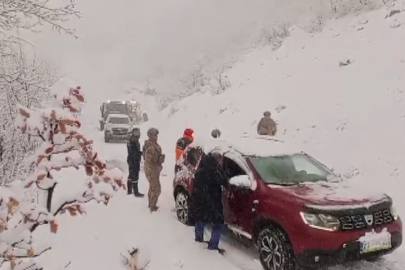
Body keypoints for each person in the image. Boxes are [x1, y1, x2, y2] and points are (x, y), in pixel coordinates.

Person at [190, 152, 228, 254]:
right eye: (220, 159)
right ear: (216, 159)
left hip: (200, 201)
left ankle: (198, 240)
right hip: (212, 201)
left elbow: (196, 185)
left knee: (200, 220)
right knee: (218, 223)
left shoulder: (201, 168)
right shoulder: (215, 170)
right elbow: (224, 181)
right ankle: (213, 246)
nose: (221, 161)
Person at [143, 128, 165, 212]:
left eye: (156, 135)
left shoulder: (154, 145)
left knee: (152, 187)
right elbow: (149, 161)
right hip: (152, 170)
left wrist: (160, 160)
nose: (156, 137)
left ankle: (151, 203)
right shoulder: (150, 147)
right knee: (156, 188)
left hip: (155, 169)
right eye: (154, 135)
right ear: (149, 135)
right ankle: (152, 205)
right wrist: (157, 162)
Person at [127, 128, 144, 197]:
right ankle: (136, 192)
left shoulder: (133, 139)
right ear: (133, 133)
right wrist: (139, 154)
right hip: (133, 160)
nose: (138, 134)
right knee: (134, 175)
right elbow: (133, 152)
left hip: (132, 159)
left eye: (138, 132)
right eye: (136, 132)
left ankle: (130, 190)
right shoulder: (133, 140)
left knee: (131, 175)